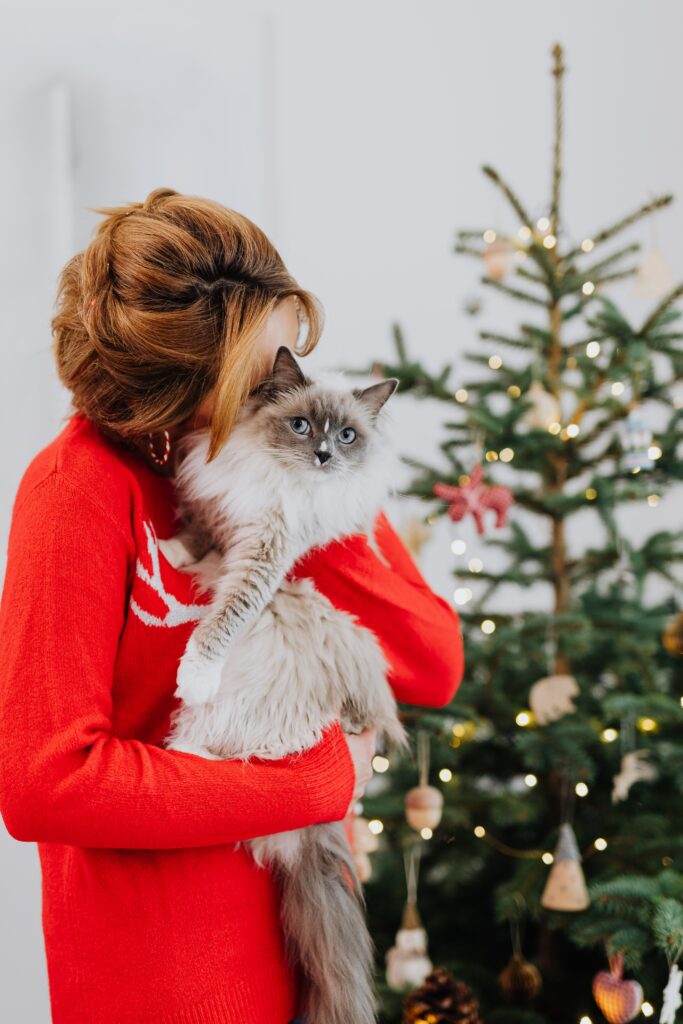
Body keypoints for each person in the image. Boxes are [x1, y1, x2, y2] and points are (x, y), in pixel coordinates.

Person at [0, 187, 464, 1024]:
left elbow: (432, 665)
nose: (289, 381)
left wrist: (317, 510)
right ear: (187, 367)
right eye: (265, 360)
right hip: (161, 977)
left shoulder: (292, 460)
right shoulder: (78, 489)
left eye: (291, 352)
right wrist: (315, 780)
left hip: (308, 947)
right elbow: (47, 783)